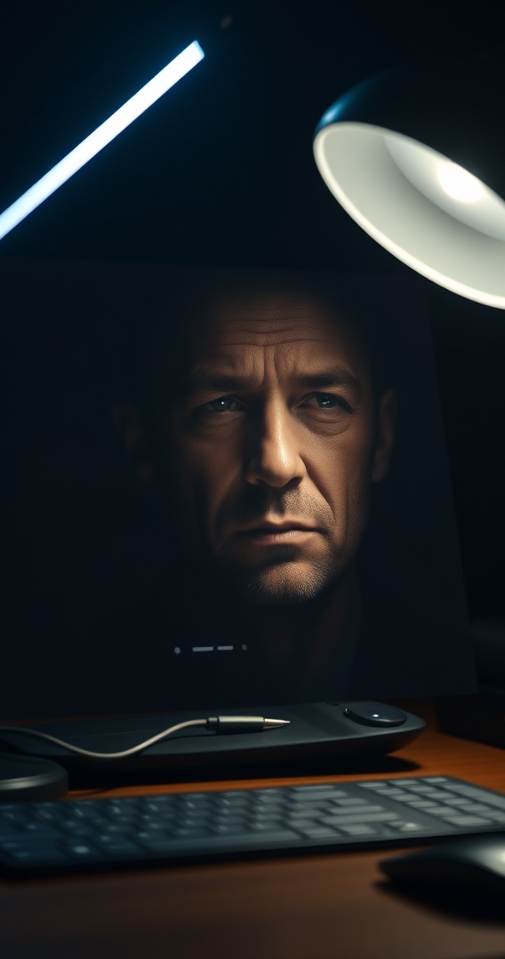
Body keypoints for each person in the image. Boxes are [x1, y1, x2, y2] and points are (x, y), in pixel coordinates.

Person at [112, 274, 398, 700]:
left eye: (324, 401)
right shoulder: (69, 692)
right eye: (221, 406)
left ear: (381, 440)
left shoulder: (457, 674)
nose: (277, 464)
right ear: (143, 449)